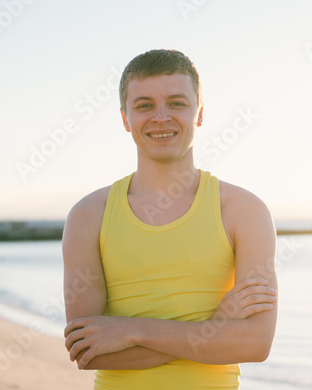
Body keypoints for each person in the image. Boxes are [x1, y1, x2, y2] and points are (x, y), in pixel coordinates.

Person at [62, 49, 278, 389]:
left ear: (200, 114)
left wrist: (132, 330)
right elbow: (89, 353)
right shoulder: (89, 215)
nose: (161, 117)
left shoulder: (243, 210)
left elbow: (255, 343)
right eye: (145, 105)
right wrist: (216, 327)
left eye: (176, 103)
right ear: (125, 118)